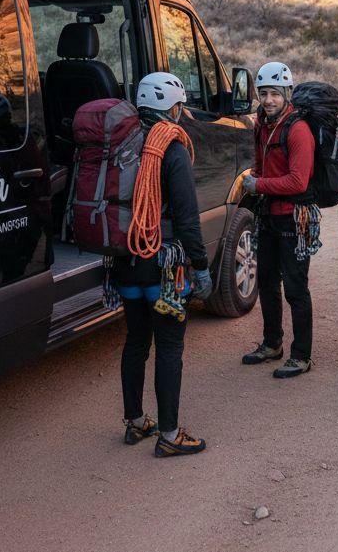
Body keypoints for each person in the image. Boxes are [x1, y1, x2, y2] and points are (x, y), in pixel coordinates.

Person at [113, 72, 213, 456]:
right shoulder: (170, 149)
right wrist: (201, 267)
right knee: (169, 347)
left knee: (136, 340)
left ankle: (136, 423)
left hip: (126, 262)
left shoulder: (123, 142)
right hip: (164, 265)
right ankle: (170, 436)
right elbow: (187, 219)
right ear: (174, 107)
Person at [240, 62, 316, 379]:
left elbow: (298, 182)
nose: (268, 99)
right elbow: (261, 163)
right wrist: (254, 177)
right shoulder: (262, 124)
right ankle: (273, 344)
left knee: (296, 289)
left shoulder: (297, 130)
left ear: (286, 93)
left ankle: (302, 356)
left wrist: (259, 185)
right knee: (268, 283)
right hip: (269, 216)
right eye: (264, 93)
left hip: (294, 220)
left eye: (274, 93)